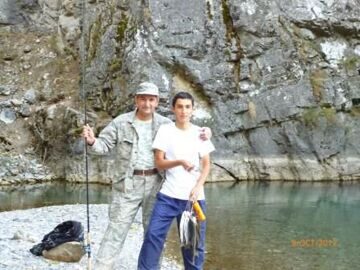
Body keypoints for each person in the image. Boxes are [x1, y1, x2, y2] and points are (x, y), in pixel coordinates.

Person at [82, 82, 211, 269]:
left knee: (153, 236)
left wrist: (207, 132)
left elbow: (188, 128)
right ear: (136, 100)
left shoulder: (165, 124)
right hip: (127, 184)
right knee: (115, 231)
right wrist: (92, 141)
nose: (147, 103)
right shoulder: (121, 122)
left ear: (157, 102)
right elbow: (103, 146)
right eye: (143, 99)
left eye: (151, 99)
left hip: (156, 185)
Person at [137, 91, 215, 270]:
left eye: (188, 107)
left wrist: (198, 187)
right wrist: (179, 161)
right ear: (173, 109)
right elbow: (159, 163)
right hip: (168, 196)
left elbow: (206, 166)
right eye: (180, 106)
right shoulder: (165, 131)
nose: (183, 111)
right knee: (153, 236)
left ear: (193, 110)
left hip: (194, 200)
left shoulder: (200, 133)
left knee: (193, 246)